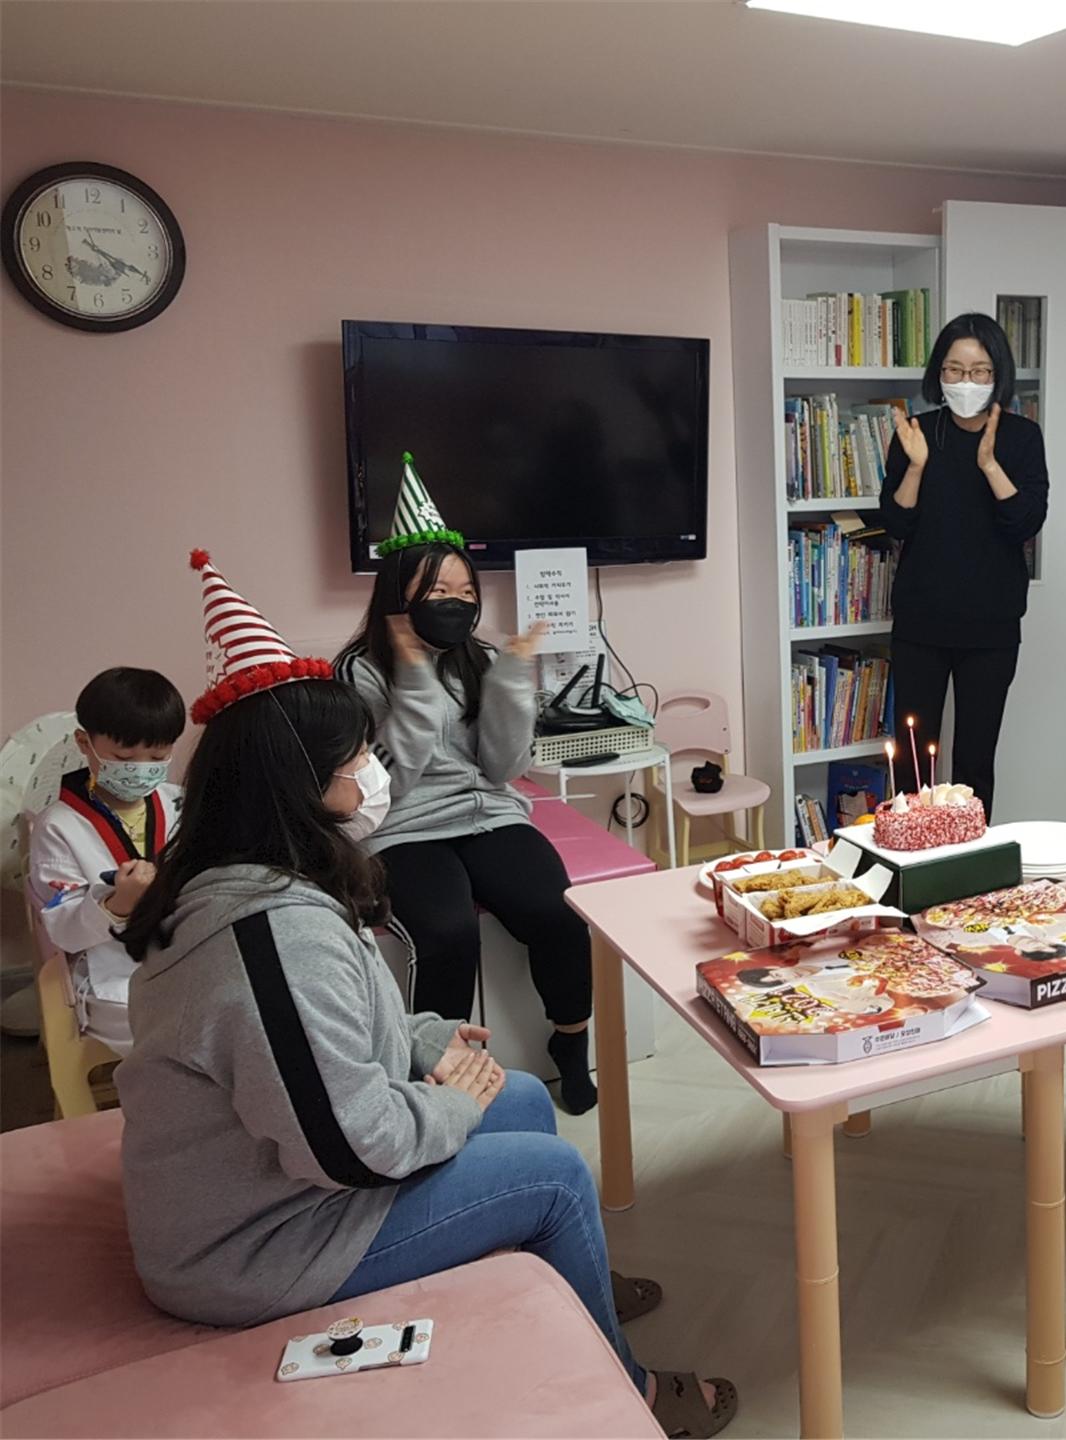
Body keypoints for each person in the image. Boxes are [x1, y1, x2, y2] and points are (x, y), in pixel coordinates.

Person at [116, 552, 735, 1437]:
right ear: (298, 783)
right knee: (556, 1174)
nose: (372, 769)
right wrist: (447, 1100)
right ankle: (631, 1396)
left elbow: (336, 1025)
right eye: (356, 756)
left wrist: (422, 1040)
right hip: (259, 1245)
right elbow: (351, 1150)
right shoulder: (268, 934)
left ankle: (568, 1279)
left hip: (288, 1185)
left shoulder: (262, 881)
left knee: (523, 1099)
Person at [337, 455, 599, 1114]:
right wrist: (416, 687)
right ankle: (441, 1072)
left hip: (489, 814)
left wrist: (511, 684)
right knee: (448, 932)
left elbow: (504, 768)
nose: (456, 603)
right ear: (398, 595)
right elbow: (388, 780)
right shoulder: (358, 672)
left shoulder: (479, 658)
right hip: (401, 826)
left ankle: (571, 1041)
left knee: (559, 912)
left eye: (465, 591)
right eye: (437, 590)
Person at [882, 313, 1048, 819]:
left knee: (975, 761)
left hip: (990, 627)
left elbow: (1025, 523)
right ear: (939, 374)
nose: (966, 382)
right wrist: (916, 466)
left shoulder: (1022, 437)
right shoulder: (915, 433)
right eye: (954, 370)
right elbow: (895, 523)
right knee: (913, 765)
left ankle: (970, 861)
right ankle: (911, 856)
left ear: (998, 375)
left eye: (979, 371)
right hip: (920, 623)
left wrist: (990, 464)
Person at [27, 667, 185, 1056]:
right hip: (114, 970)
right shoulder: (57, 827)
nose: (141, 768)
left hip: (185, 950)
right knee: (172, 1024)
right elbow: (64, 931)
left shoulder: (181, 803)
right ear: (85, 742)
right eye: (124, 757)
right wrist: (116, 905)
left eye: (158, 756)